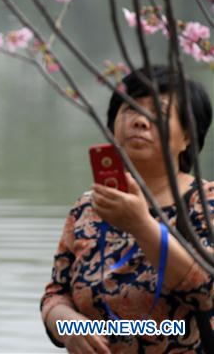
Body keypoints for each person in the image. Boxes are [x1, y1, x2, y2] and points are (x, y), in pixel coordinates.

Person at [41, 65, 214, 353]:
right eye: (130, 109)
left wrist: (141, 226)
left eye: (158, 113)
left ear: (188, 138)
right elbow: (55, 294)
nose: (140, 121)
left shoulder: (205, 203)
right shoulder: (88, 207)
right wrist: (70, 326)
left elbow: (208, 292)